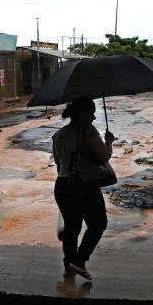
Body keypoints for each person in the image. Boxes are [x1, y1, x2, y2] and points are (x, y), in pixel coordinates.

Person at [52, 96, 116, 279]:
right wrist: (109, 142)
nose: (93, 118)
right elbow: (103, 157)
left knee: (71, 229)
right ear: (82, 114)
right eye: (91, 114)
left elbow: (58, 163)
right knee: (98, 224)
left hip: (63, 185)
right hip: (83, 186)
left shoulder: (59, 134)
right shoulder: (88, 131)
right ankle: (79, 262)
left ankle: (68, 266)